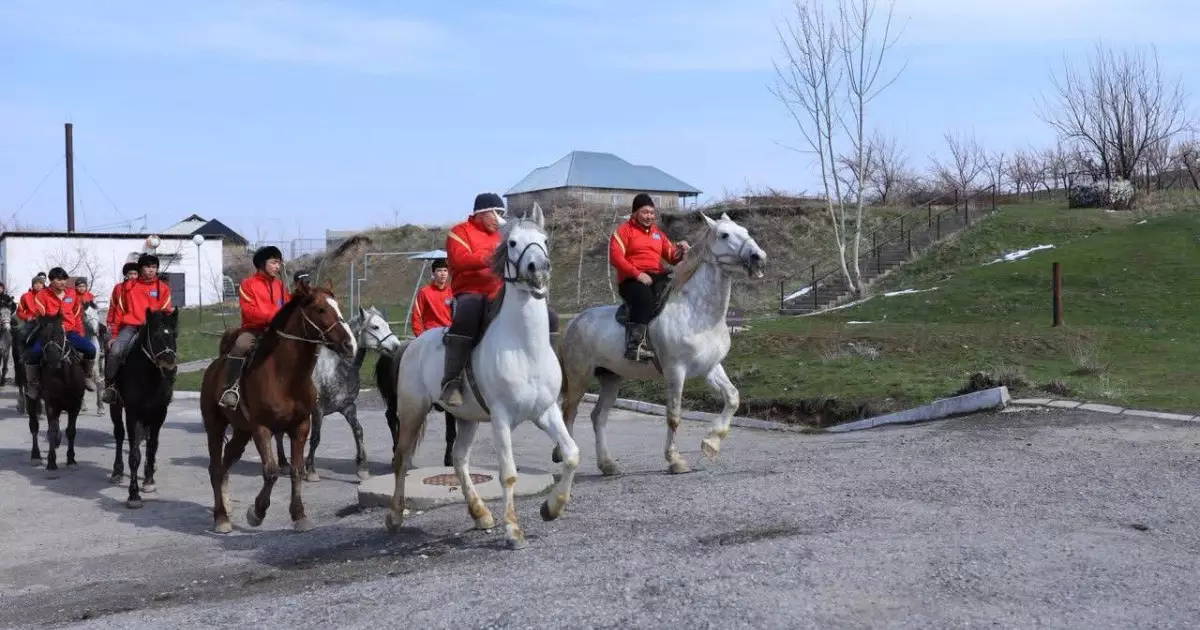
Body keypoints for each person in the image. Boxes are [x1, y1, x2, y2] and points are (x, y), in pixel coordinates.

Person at [439, 192, 507, 407]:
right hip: (470, 293)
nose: (499, 218)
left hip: (500, 293)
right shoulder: (459, 232)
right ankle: (451, 382)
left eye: (502, 213)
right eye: (495, 212)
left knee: (545, 315)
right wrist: (493, 256)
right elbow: (459, 261)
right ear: (481, 213)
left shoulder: (503, 235)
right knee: (470, 308)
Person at [609, 193, 689, 361]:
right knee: (645, 298)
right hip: (631, 280)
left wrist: (682, 251)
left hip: (656, 276)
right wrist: (637, 274)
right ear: (635, 213)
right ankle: (634, 346)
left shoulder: (658, 234)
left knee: (678, 292)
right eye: (645, 212)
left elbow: (672, 257)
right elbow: (616, 258)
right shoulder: (623, 231)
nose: (649, 216)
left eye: (652, 213)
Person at [217, 245, 290, 410]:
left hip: (278, 332)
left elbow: (287, 307)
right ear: (262, 264)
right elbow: (249, 310)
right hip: (254, 330)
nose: (278, 266)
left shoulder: (280, 286)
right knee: (240, 346)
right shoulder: (248, 284)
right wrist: (273, 318)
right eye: (274, 262)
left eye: (279, 263)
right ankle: (231, 388)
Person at [100, 254, 175, 403]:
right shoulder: (127, 287)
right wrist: (114, 335)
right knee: (115, 351)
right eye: (147, 267)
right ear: (140, 269)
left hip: (154, 329)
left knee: (169, 353)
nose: (151, 270)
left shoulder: (163, 288)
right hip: (131, 327)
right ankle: (111, 386)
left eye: (154, 267)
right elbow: (119, 312)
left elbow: (166, 312)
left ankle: (167, 387)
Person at [24, 267, 98, 397]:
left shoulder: (72, 294)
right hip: (49, 331)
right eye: (59, 279)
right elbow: (41, 315)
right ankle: (33, 384)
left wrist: (79, 332)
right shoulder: (42, 295)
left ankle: (87, 376)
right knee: (34, 353)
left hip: (70, 331)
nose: (63, 282)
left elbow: (77, 315)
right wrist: (54, 325)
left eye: (64, 279)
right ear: (51, 281)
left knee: (91, 349)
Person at [410, 259, 453, 337]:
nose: (443, 274)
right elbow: (416, 317)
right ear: (433, 273)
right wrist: (421, 337)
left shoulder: (453, 292)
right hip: (431, 335)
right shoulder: (424, 292)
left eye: (445, 270)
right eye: (439, 271)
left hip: (449, 333)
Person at [106, 263, 140, 335]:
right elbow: (113, 306)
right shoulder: (118, 287)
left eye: (135, 273)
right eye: (130, 273)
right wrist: (109, 322)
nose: (133, 276)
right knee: (117, 344)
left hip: (139, 322)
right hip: (121, 323)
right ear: (126, 275)